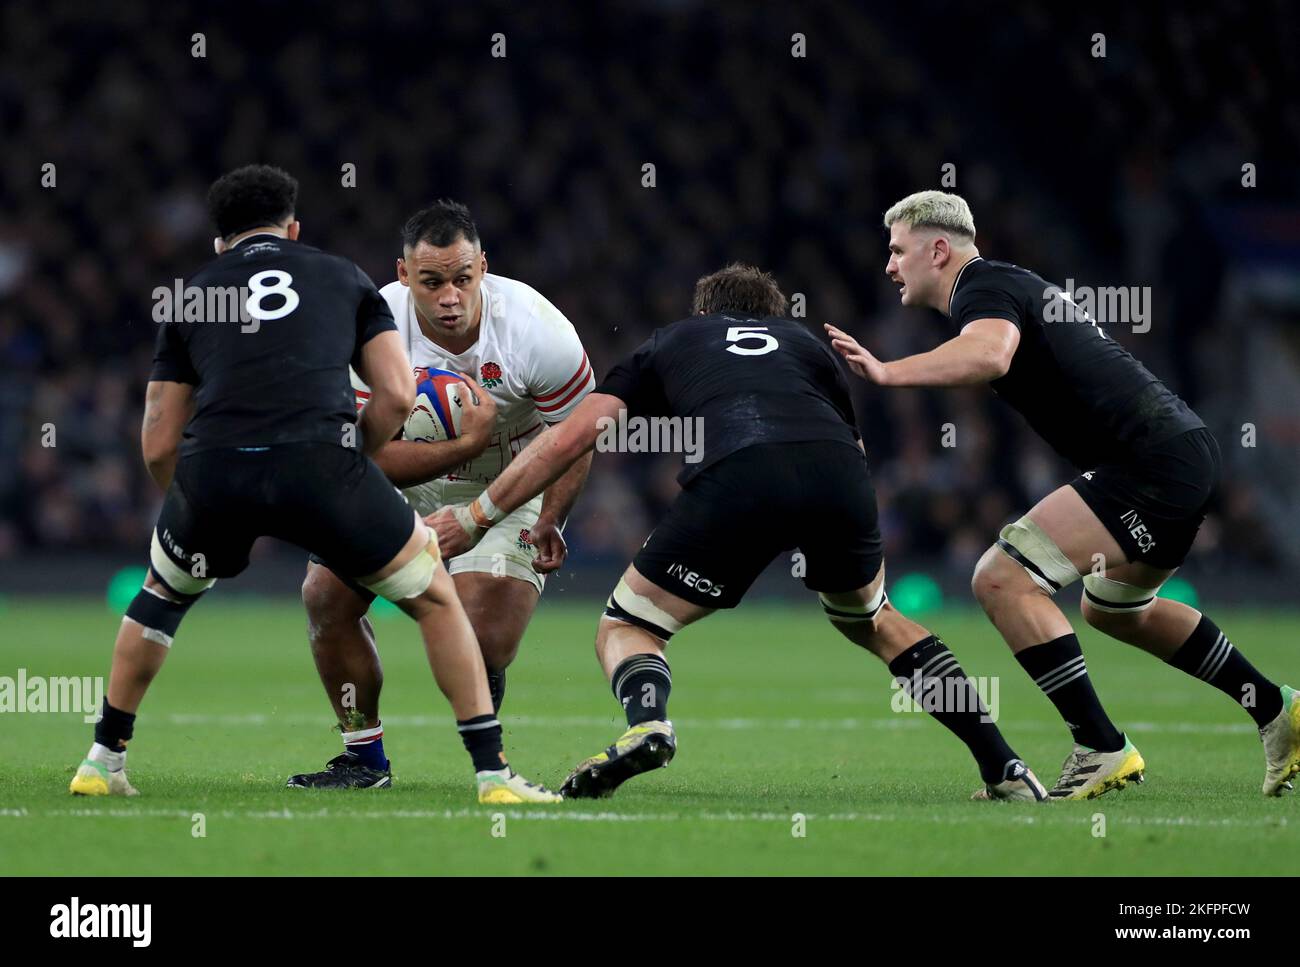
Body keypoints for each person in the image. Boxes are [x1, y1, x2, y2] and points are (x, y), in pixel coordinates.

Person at [433, 263, 1050, 801]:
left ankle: (648, 723)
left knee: (631, 624)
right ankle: (1003, 764)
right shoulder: (808, 347)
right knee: (876, 620)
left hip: (743, 474)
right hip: (839, 473)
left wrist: (479, 514)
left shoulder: (675, 339)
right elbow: (851, 443)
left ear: (705, 312)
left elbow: (572, 434)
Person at [68, 166, 558, 804]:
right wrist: (351, 458)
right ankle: (493, 775)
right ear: (295, 228)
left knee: (159, 598)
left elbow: (158, 438)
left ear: (219, 242)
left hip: (215, 468)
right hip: (321, 464)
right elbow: (395, 395)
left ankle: (102, 761)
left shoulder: (189, 295)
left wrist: (191, 504)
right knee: (435, 598)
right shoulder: (342, 277)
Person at [827, 189, 1298, 798]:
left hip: (1146, 462)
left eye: (897, 250)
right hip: (1176, 452)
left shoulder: (982, 283)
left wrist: (891, 372)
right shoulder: (1008, 285)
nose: (889, 265)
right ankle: (1275, 708)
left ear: (938, 250)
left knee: (1001, 578)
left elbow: (991, 354)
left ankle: (1101, 746)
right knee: (1116, 608)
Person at [286, 200, 593, 789]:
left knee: (485, 641)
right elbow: (359, 452)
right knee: (324, 596)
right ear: (404, 276)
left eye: (462, 279)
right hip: (402, 481)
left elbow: (578, 434)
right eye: (432, 282)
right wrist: (465, 442)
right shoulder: (369, 328)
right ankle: (363, 759)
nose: (450, 297)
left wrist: (551, 515)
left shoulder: (536, 329)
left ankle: (477, 683)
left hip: (512, 481)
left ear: (483, 267)